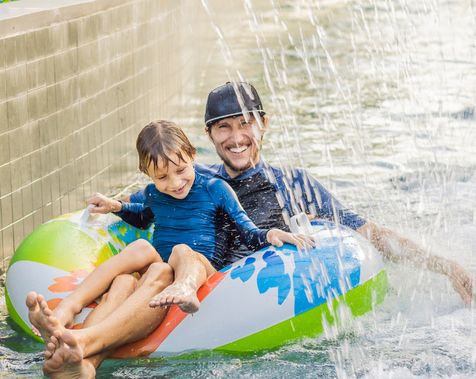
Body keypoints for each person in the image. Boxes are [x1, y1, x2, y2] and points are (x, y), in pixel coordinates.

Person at [35, 82, 476, 378]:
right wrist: (114, 208)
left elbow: (367, 230)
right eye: (224, 127)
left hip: (236, 303)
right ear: (209, 135)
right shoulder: (191, 176)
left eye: (246, 122)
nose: (237, 136)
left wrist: (443, 265)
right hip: (174, 287)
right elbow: (143, 209)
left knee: (162, 271)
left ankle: (82, 346)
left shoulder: (293, 185)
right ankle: (82, 354)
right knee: (135, 274)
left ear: (263, 124)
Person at [27, 120, 311, 347]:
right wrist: (115, 206)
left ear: (192, 155)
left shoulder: (215, 189)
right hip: (162, 272)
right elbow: (140, 217)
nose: (175, 183)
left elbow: (247, 231)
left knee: (180, 251)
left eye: (181, 169)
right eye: (162, 177)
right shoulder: (154, 194)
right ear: (145, 172)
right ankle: (69, 319)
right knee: (127, 275)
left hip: (200, 271)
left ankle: (185, 289)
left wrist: (272, 234)